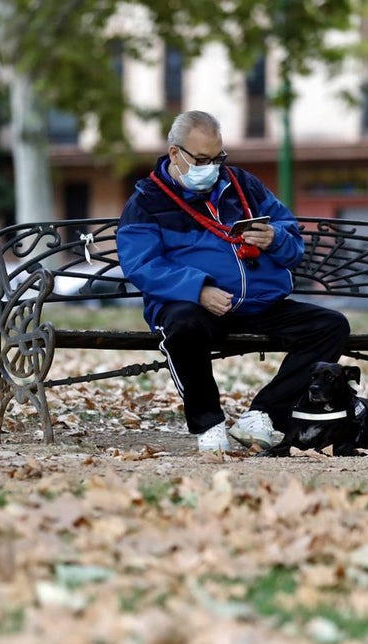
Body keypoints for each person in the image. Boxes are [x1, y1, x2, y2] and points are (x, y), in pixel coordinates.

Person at [117, 110, 350, 453]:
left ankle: (263, 414)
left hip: (258, 303)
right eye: (201, 159)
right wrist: (198, 289)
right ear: (175, 155)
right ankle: (209, 424)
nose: (211, 167)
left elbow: (291, 237)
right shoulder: (147, 202)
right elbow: (142, 265)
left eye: (218, 157)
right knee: (183, 328)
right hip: (194, 306)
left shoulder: (243, 184)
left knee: (330, 326)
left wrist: (275, 239)